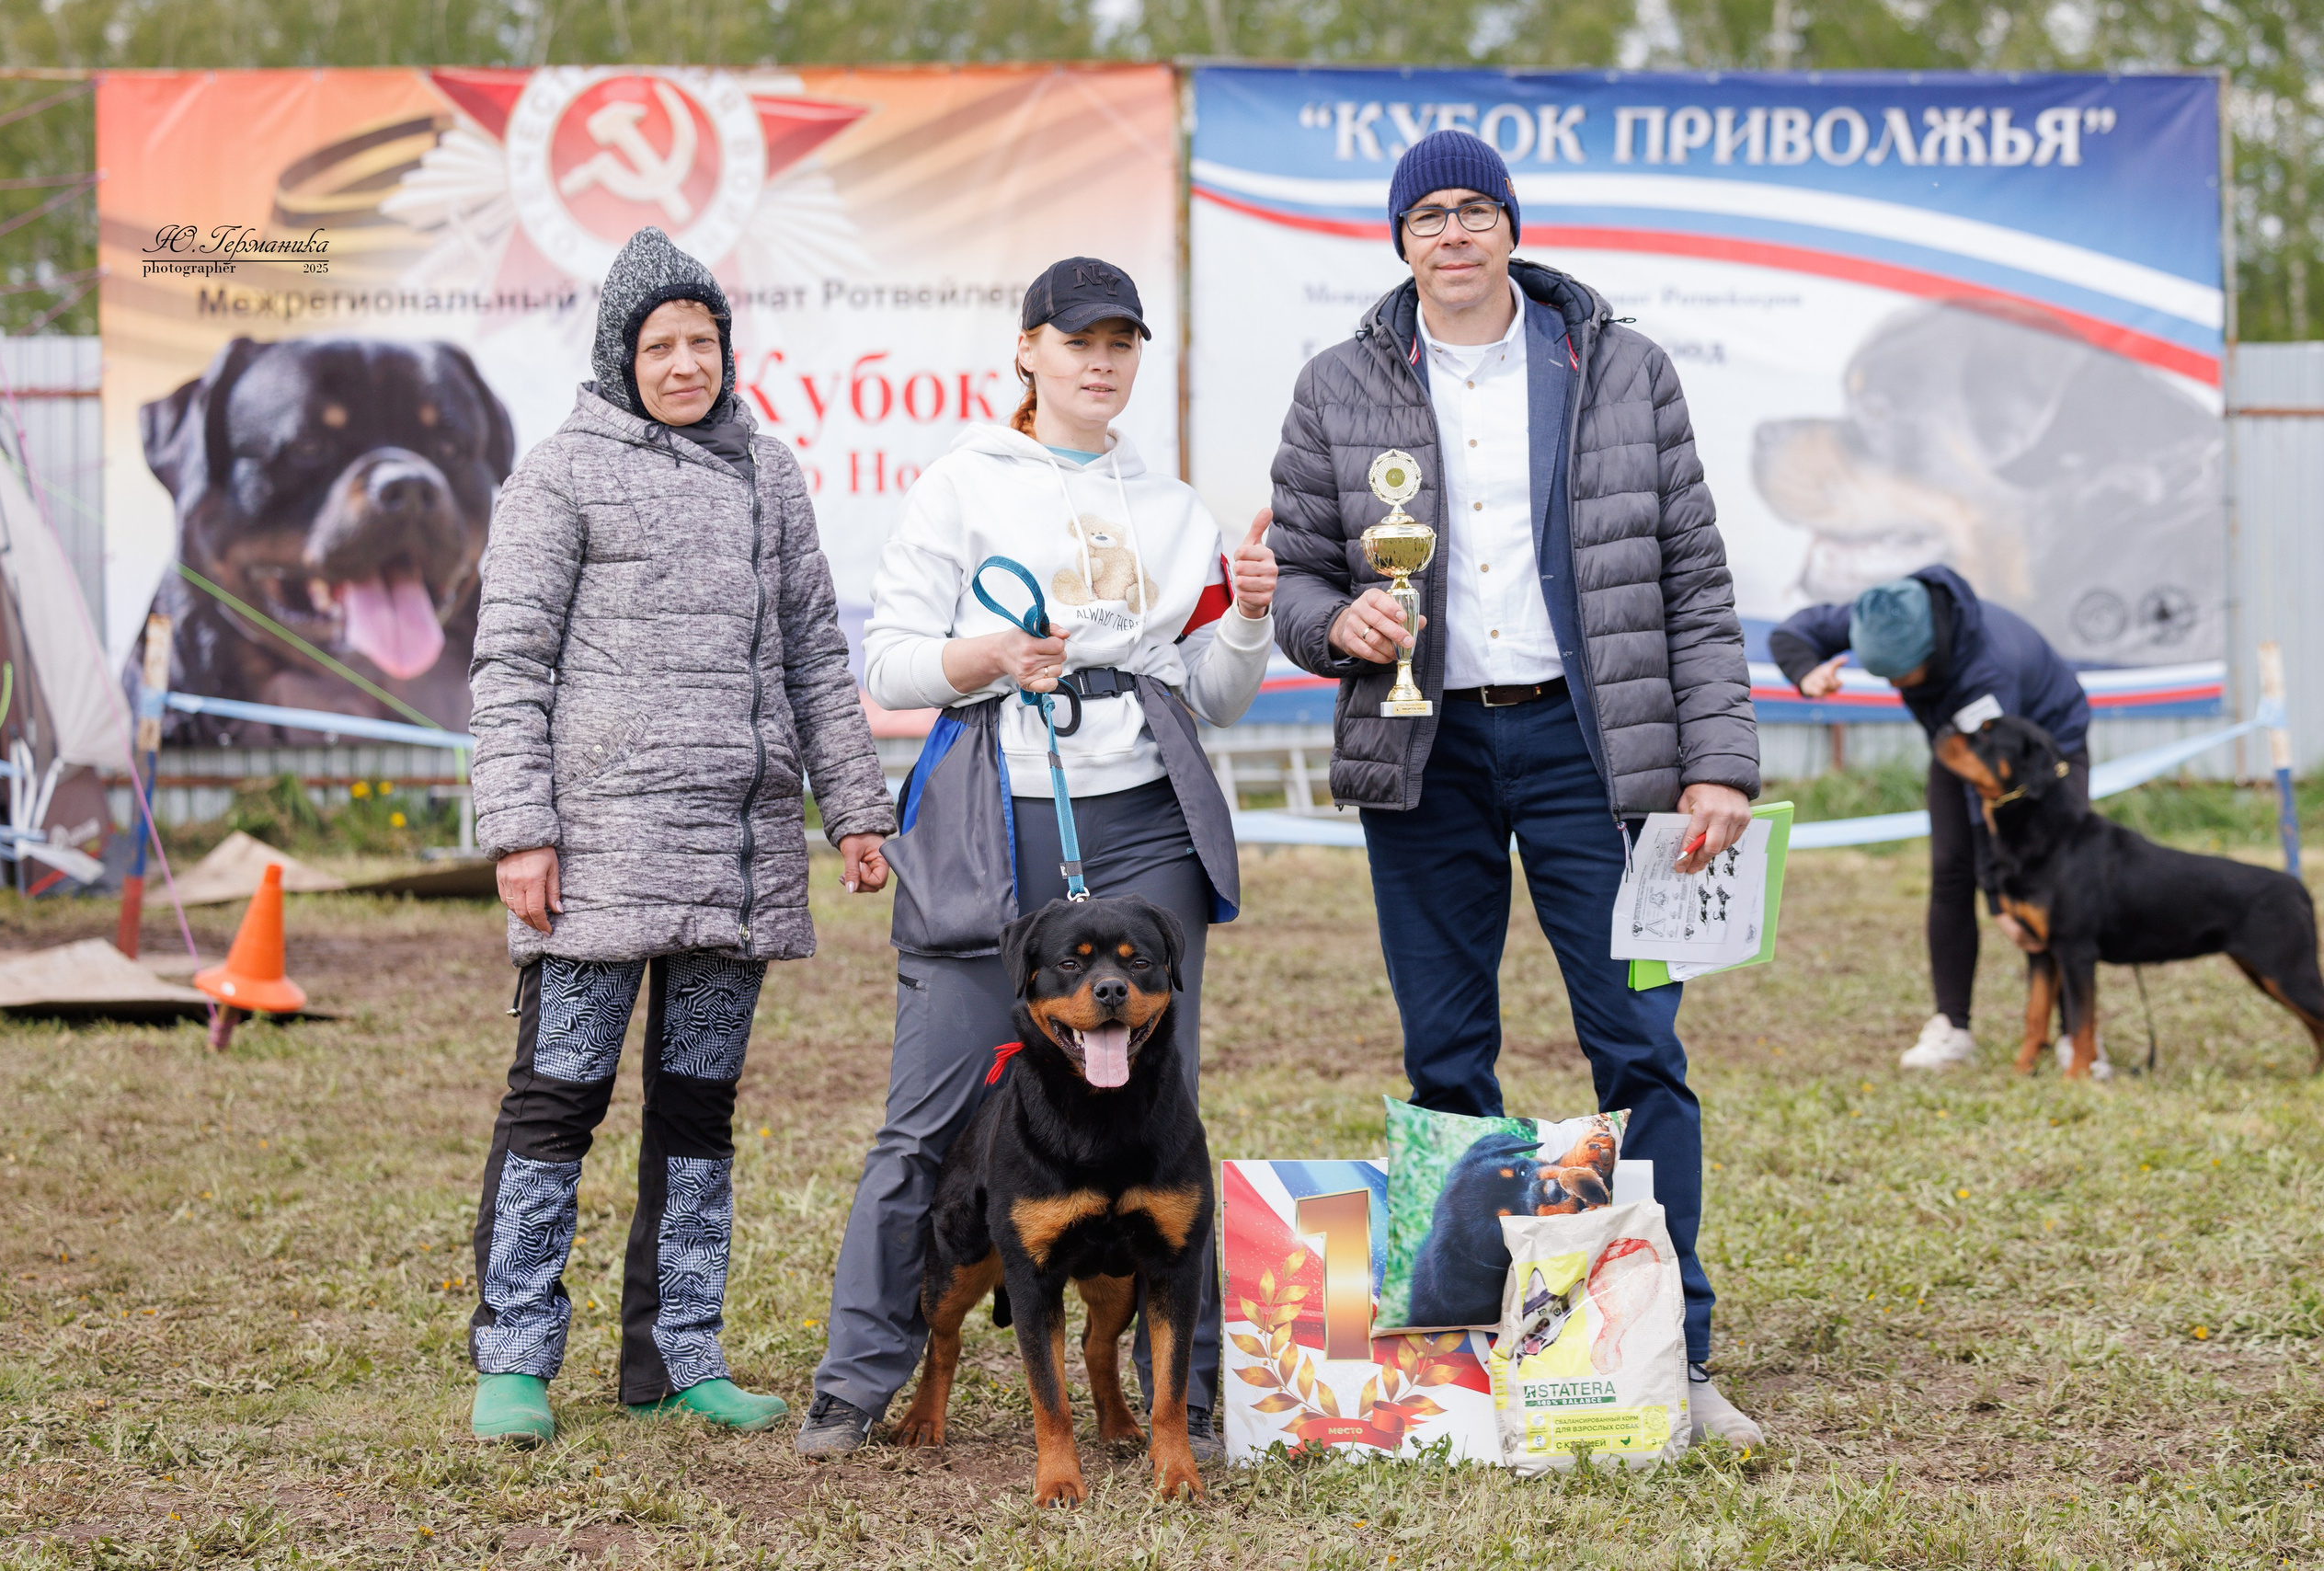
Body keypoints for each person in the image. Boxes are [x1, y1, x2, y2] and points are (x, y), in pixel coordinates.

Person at [1265, 130, 1765, 1447]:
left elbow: (1697, 583)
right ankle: (1475, 1359)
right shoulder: (1335, 384)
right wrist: (1335, 629)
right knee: (1445, 1060)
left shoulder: (1622, 366)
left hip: (1602, 758)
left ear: (1510, 228)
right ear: (1400, 239)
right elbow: (1303, 576)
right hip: (1420, 757)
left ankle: (1675, 1353)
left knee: (1641, 1050)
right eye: (1428, 213)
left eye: (1476, 209)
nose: (1454, 233)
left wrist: (1715, 760)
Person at [796, 257, 1277, 1463]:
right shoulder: (963, 484)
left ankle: (1199, 1394)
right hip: (992, 817)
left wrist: (1254, 614)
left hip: (1150, 820)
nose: (1100, 360)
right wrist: (992, 654)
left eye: (1121, 340)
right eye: (1077, 340)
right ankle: (858, 1376)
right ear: (1027, 349)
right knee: (933, 1107)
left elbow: (1211, 694)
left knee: (1161, 1099)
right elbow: (891, 666)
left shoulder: (1172, 506)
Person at [464, 226, 895, 1445]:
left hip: (736, 855)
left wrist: (855, 810)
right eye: (662, 344)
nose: (686, 362)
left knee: (698, 1110)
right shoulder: (559, 475)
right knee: (557, 1101)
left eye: (703, 341)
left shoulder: (770, 473)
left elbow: (816, 654)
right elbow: (511, 667)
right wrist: (520, 834)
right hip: (590, 856)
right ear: (622, 356)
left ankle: (676, 1353)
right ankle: (513, 1361)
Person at [1769, 568, 2097, 1073]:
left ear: (1932, 653)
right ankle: (1952, 1025)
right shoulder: (1883, 614)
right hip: (1960, 741)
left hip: (2046, 744)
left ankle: (2078, 1036)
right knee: (1949, 872)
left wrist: (1999, 899)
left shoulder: (1986, 675)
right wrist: (1806, 671)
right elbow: (1792, 632)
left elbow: (1988, 797)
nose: (1894, 686)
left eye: (1900, 676)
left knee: (2060, 888)